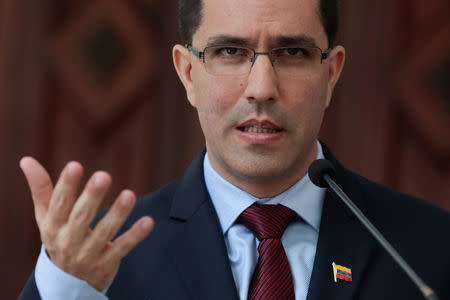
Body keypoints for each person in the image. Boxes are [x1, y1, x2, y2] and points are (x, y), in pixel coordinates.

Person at [19, 0, 450, 299]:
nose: (261, 89)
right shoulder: (99, 259)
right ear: (188, 73)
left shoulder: (427, 250)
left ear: (332, 73)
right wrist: (66, 291)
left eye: (293, 52)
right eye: (229, 51)